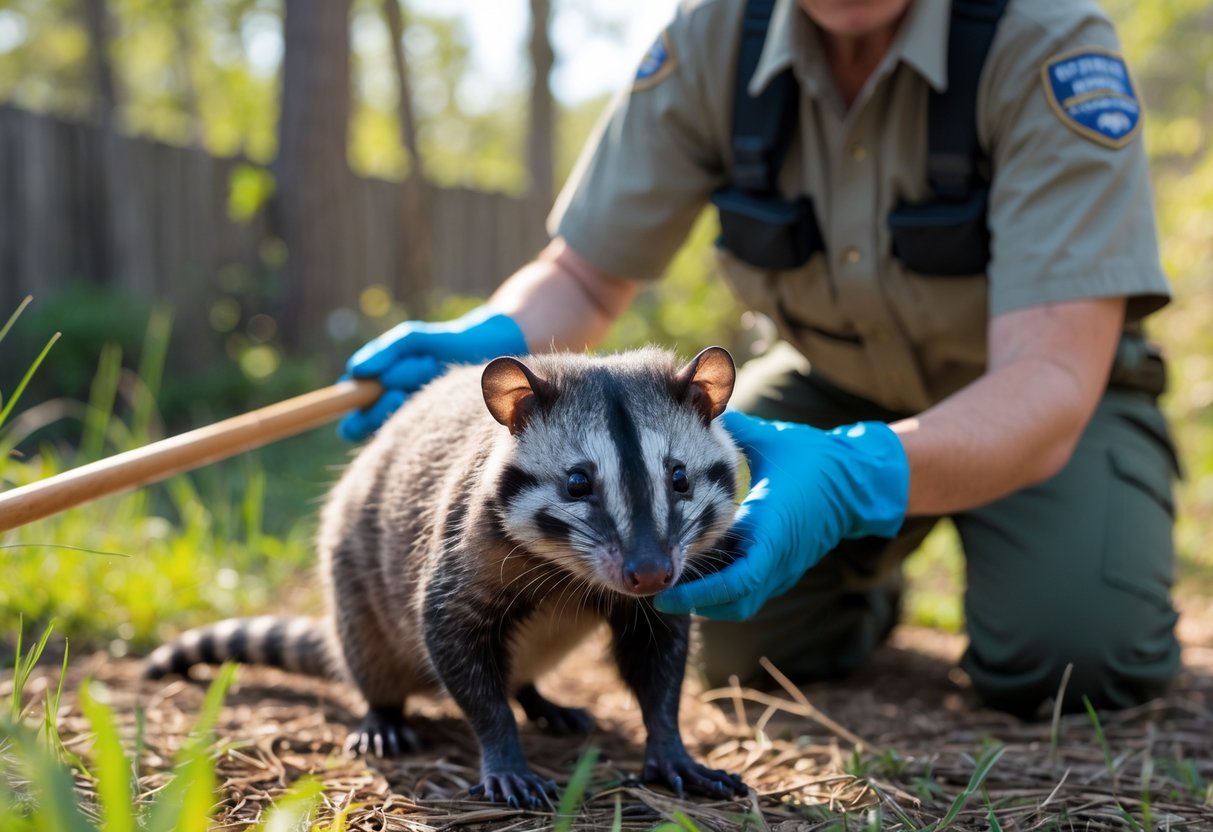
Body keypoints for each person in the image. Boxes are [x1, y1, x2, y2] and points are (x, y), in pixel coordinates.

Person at [339, 0, 1181, 718]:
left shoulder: (1042, 38)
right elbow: (584, 276)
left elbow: (1054, 377)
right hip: (829, 384)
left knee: (1074, 662)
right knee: (740, 646)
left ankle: (888, 527)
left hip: (1037, 404)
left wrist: (855, 479)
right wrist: (495, 337)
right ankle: (861, 582)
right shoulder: (717, 35)